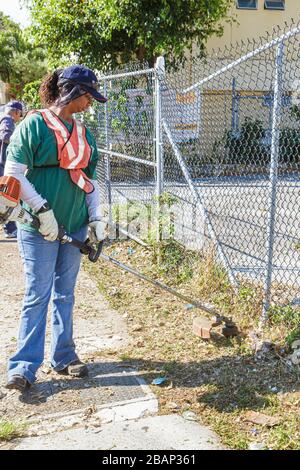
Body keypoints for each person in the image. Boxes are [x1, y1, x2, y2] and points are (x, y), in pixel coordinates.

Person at [4, 65, 108, 392]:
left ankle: (64, 356)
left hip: (74, 227)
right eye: (89, 95)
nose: (91, 102)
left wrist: (96, 219)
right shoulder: (33, 125)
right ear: (73, 91)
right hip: (39, 228)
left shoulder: (83, 133)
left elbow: (87, 181)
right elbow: (13, 174)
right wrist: (43, 210)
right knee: (38, 293)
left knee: (66, 293)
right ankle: (23, 366)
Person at [0, 100, 23, 238]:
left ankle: (9, 227)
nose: (19, 118)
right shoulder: (7, 119)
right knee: (7, 197)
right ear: (16, 112)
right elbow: (6, 136)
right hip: (2, 165)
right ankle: (10, 229)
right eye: (20, 115)